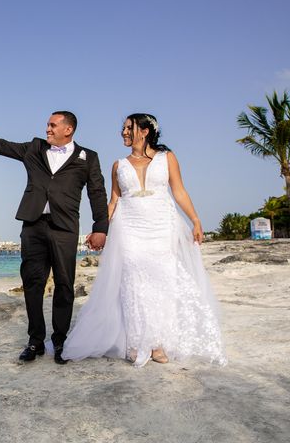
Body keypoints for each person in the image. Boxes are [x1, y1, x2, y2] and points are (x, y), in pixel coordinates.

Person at [0, 111, 109, 364]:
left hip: (65, 228)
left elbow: (97, 192)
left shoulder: (88, 157)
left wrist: (100, 228)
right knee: (33, 283)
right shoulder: (34, 148)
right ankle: (35, 341)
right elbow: (0, 146)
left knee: (64, 285)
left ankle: (60, 341)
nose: (47, 129)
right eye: (47, 125)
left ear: (68, 130)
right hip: (33, 226)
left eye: (52, 125)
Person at [61, 113, 227, 367]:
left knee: (162, 281)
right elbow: (114, 201)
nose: (124, 132)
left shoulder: (167, 158)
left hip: (161, 226)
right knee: (133, 282)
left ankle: (158, 342)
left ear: (145, 131)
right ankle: (137, 341)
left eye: (129, 128)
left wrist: (195, 220)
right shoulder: (119, 165)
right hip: (128, 227)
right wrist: (99, 229)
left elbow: (179, 190)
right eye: (124, 128)